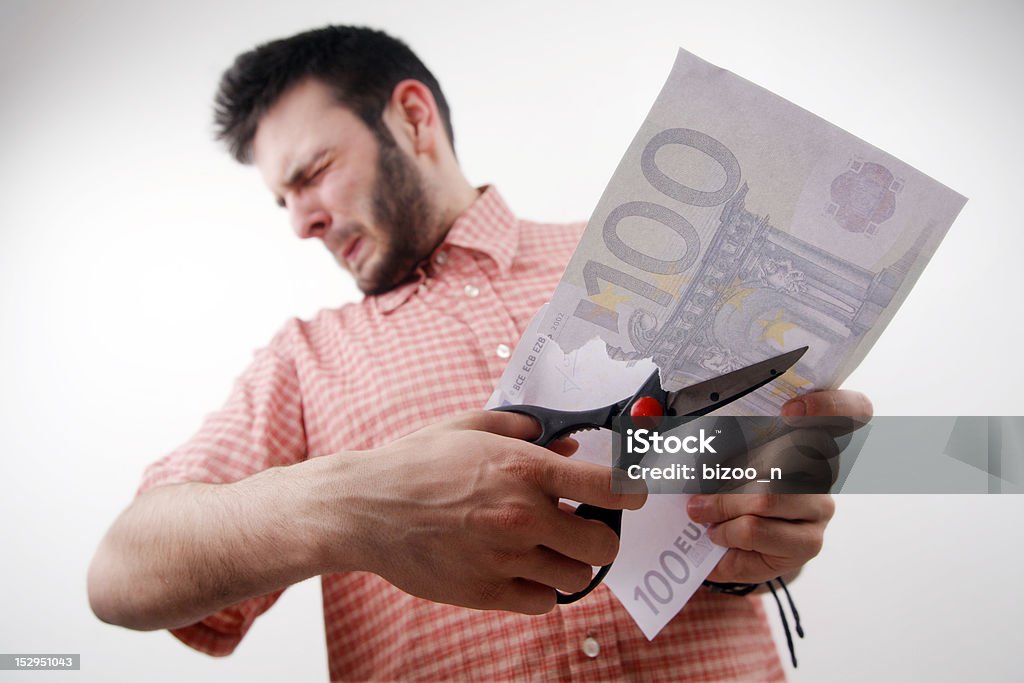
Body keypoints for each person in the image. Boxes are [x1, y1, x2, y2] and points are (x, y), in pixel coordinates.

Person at [87, 25, 871, 681]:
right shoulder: (301, 361)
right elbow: (120, 573)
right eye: (282, 200)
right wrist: (355, 507)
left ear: (413, 118)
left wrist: (767, 531)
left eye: (313, 173)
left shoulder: (667, 269)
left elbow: (747, 530)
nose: (301, 222)